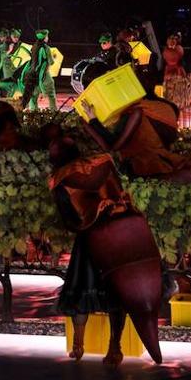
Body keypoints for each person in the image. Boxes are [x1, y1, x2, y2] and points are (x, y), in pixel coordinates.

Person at [50, 131, 165, 365]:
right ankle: (115, 347)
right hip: (128, 225)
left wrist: (84, 223)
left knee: (81, 291)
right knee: (119, 296)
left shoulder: (59, 180)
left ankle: (78, 345)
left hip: (92, 236)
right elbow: (120, 186)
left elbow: (69, 220)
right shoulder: (104, 160)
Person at [81, 94, 191, 182]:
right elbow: (111, 146)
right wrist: (91, 122)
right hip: (159, 165)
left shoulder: (137, 112)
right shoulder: (160, 112)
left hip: (140, 170)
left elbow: (113, 146)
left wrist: (93, 121)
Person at [20, 29, 57, 110]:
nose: (47, 38)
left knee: (33, 97)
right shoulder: (46, 48)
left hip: (32, 74)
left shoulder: (34, 46)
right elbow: (51, 62)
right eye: (47, 36)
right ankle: (54, 112)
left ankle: (33, 114)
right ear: (44, 37)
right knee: (51, 95)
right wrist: (54, 57)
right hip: (43, 75)